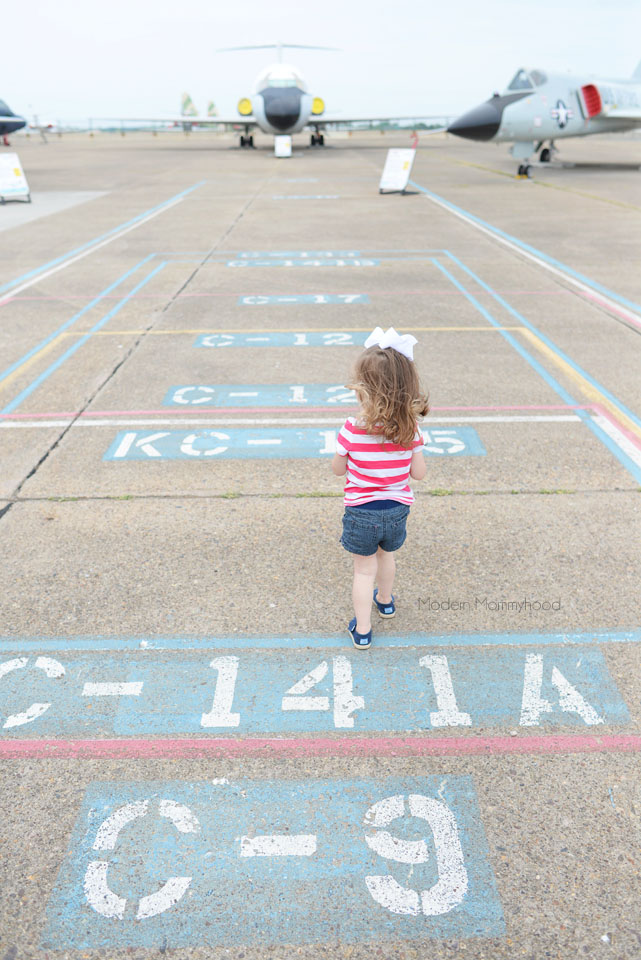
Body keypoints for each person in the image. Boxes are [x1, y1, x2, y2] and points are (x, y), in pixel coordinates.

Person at [332, 326, 430, 649]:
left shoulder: (351, 429)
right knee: (386, 558)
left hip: (361, 510)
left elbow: (338, 469)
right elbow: (419, 473)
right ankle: (386, 601)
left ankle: (362, 630)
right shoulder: (410, 427)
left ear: (363, 391)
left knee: (363, 570)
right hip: (396, 509)